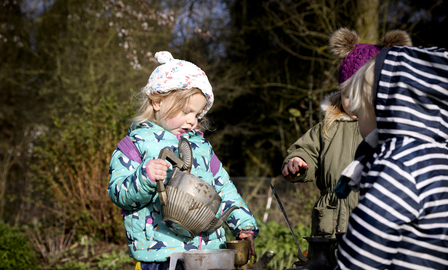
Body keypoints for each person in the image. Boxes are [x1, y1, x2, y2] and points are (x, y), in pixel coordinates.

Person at [336, 31, 448, 269]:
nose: (357, 116)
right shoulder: (441, 158)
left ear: (386, 109)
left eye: (361, 110)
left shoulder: (397, 162)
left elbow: (369, 240)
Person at [107, 51, 259, 270]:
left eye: (197, 114)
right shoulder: (135, 144)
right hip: (160, 256)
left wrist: (243, 226)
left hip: (208, 254)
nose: (192, 121)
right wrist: (146, 176)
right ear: (157, 101)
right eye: (186, 111)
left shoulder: (202, 148)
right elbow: (118, 193)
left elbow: (223, 189)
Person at [281, 28, 411, 241]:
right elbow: (306, 150)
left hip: (376, 224)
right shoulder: (328, 128)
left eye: (364, 96)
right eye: (349, 95)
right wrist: (298, 162)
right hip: (330, 227)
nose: (356, 103)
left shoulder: (392, 131)